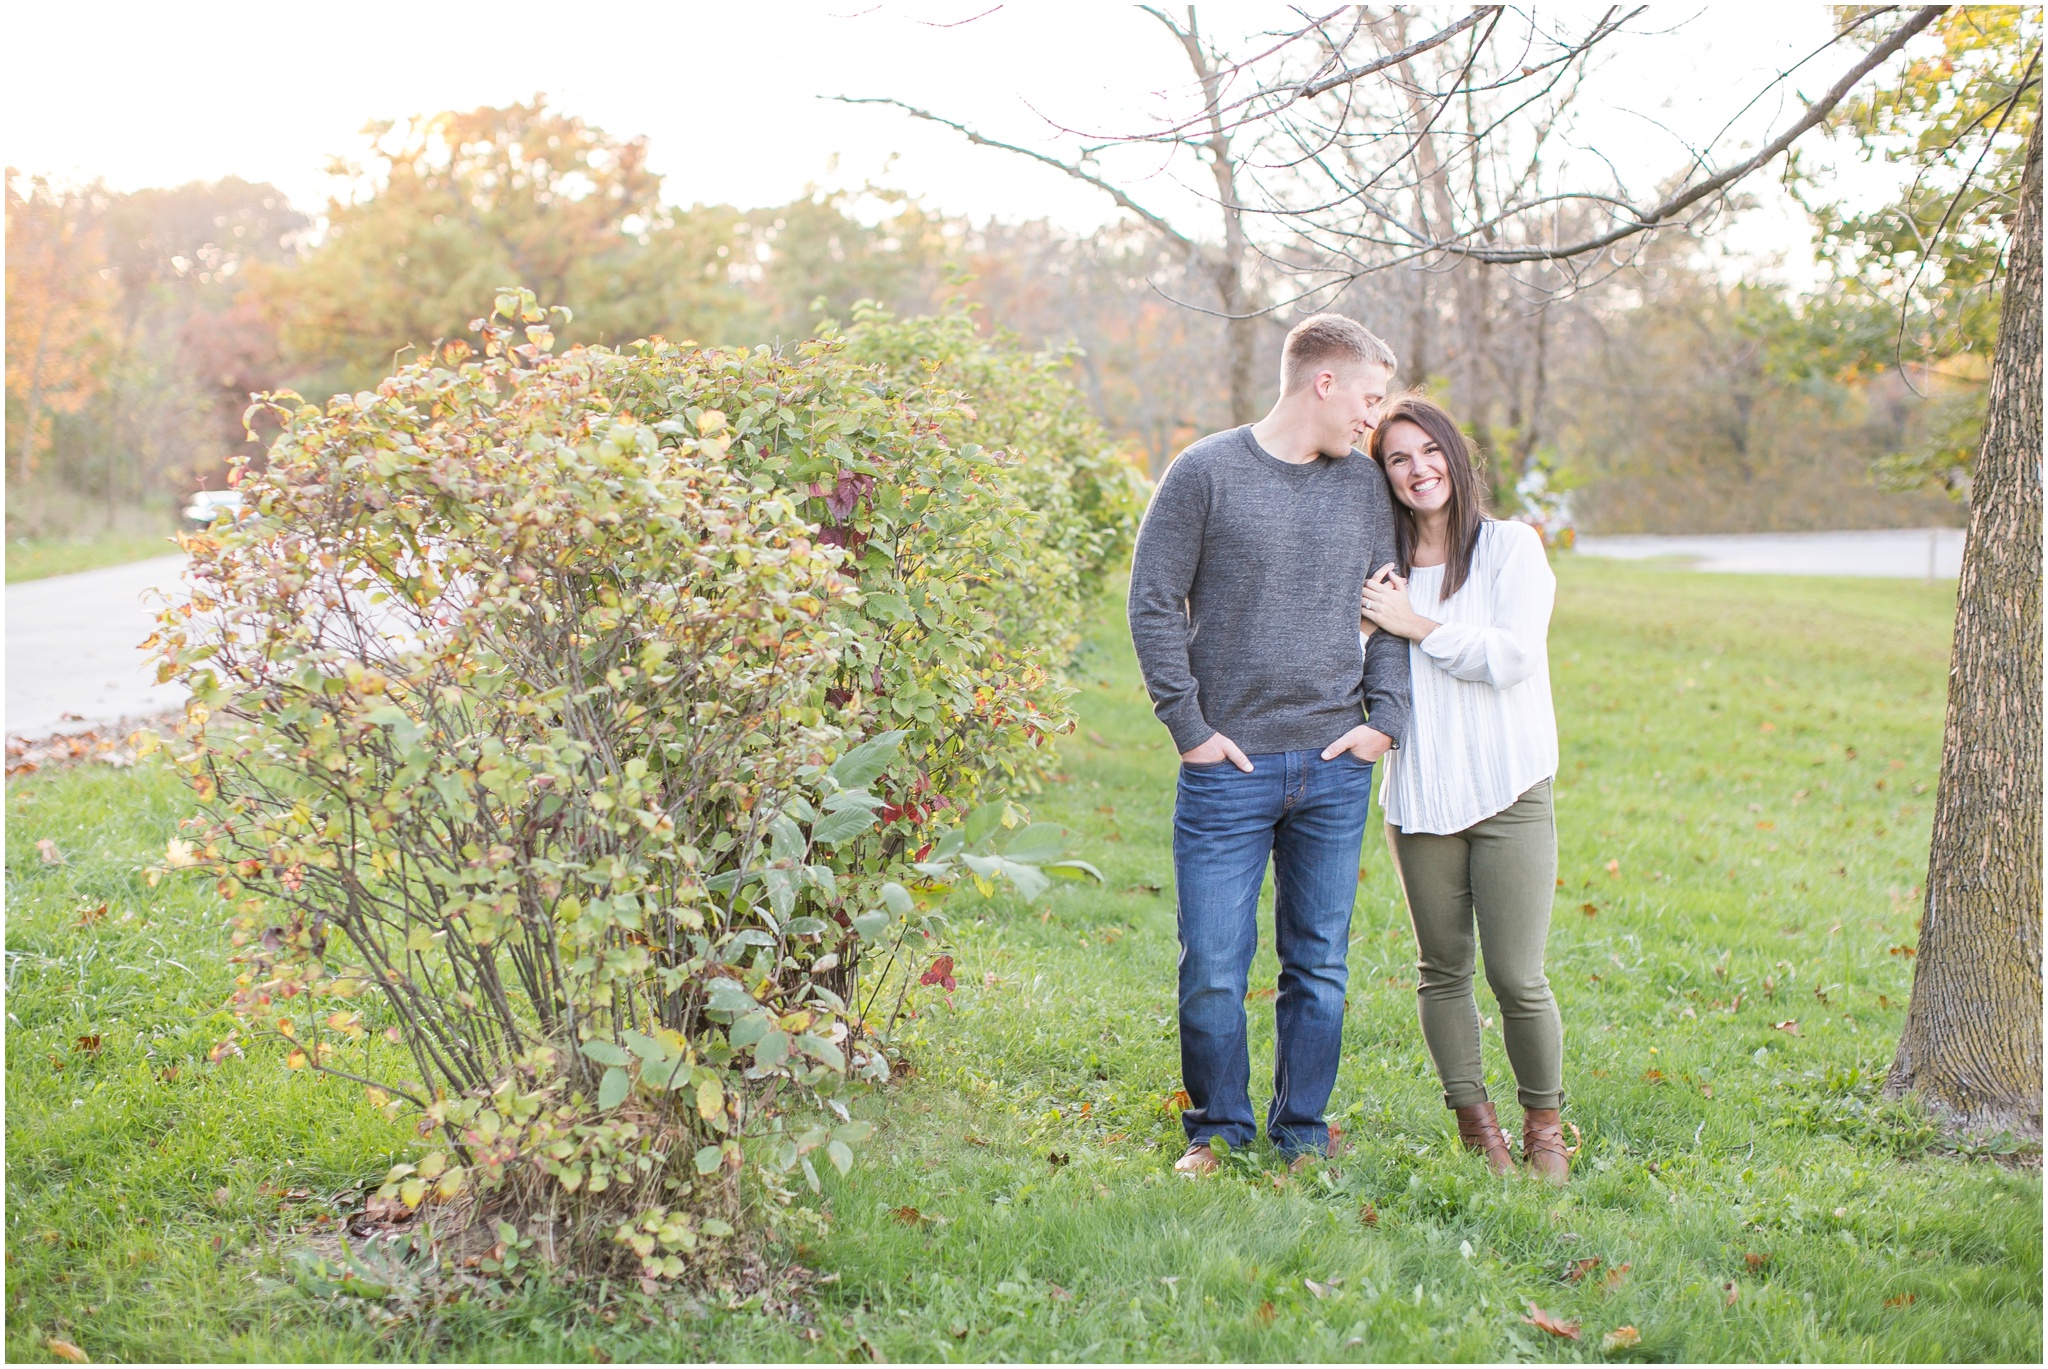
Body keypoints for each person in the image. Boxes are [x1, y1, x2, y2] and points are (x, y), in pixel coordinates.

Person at [1128, 314, 1411, 1178]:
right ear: (1324, 383)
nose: (1374, 418)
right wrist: (1191, 730)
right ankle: (1217, 1130)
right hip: (1229, 768)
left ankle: (1301, 1133)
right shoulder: (1205, 472)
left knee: (1318, 967)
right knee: (1214, 963)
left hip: (1333, 765)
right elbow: (1152, 603)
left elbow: (1389, 609)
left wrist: (1383, 720)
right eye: (1368, 398)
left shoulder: (1365, 489)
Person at [1357, 394, 1568, 1183]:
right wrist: (1376, 624)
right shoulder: (1381, 573)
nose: (1418, 469)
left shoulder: (1513, 548)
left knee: (1518, 974)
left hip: (1510, 786)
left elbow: (1511, 656)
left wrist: (1416, 625)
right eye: (1397, 458)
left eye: (1428, 450)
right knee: (1441, 969)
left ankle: (1544, 1126)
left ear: (1456, 453)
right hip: (1420, 794)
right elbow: (1347, 666)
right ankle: (1478, 1131)